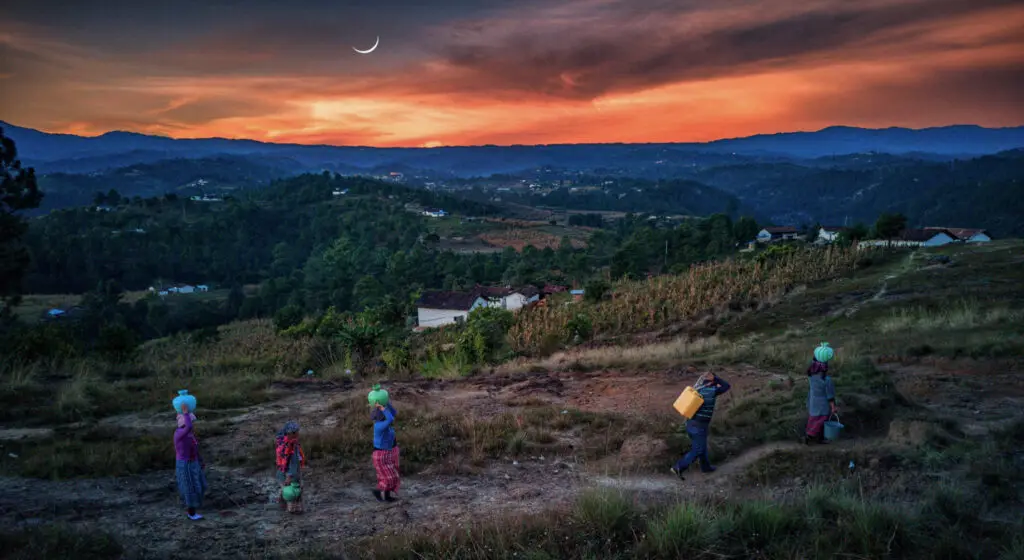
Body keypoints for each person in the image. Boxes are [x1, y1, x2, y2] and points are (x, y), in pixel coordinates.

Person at [671, 372, 731, 479]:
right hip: (699, 426)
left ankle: (706, 467)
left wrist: (713, 380)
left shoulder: (697, 390)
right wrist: (716, 378)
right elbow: (726, 386)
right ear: (712, 383)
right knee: (698, 449)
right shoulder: (712, 391)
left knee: (701, 446)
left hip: (691, 423)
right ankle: (678, 467)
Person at [174, 403, 207, 520]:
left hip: (194, 463)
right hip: (185, 465)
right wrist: (186, 413)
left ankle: (195, 506)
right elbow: (188, 427)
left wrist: (200, 461)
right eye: (190, 421)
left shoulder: (189, 435)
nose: (192, 424)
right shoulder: (179, 434)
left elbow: (195, 448)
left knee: (201, 485)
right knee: (190, 488)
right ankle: (191, 513)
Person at [804, 357, 838, 445]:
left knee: (812, 419)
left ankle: (808, 435)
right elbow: (830, 396)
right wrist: (833, 407)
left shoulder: (811, 377)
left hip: (812, 402)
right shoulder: (827, 380)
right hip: (823, 405)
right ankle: (815, 437)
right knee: (822, 421)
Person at [371, 401, 400, 502]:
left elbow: (394, 414)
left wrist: (386, 402)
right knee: (388, 477)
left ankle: (387, 497)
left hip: (387, 453)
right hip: (380, 455)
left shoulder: (385, 424)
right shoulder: (379, 426)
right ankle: (378, 491)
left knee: (392, 475)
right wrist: (382, 408)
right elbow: (391, 418)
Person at [275, 420, 307, 513]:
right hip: (291, 474)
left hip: (280, 472)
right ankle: (293, 512)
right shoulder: (292, 445)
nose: (298, 433)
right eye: (297, 431)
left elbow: (281, 459)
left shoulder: (281, 442)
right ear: (291, 433)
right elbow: (292, 462)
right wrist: (289, 476)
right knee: (293, 493)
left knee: (284, 489)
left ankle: (280, 506)